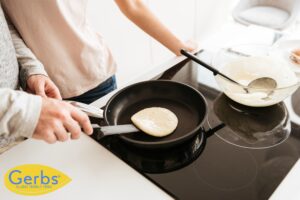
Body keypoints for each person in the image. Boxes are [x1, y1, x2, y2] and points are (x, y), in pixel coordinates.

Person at [2, 0, 196, 104]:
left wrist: (178, 46)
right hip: (36, 92)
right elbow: (6, 26)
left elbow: (132, 5)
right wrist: (33, 71)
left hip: (91, 78)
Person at [0, 4, 93, 153]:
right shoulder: (25, 113)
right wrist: (28, 112)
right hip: (20, 121)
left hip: (18, 135)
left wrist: (31, 69)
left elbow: (4, 27)